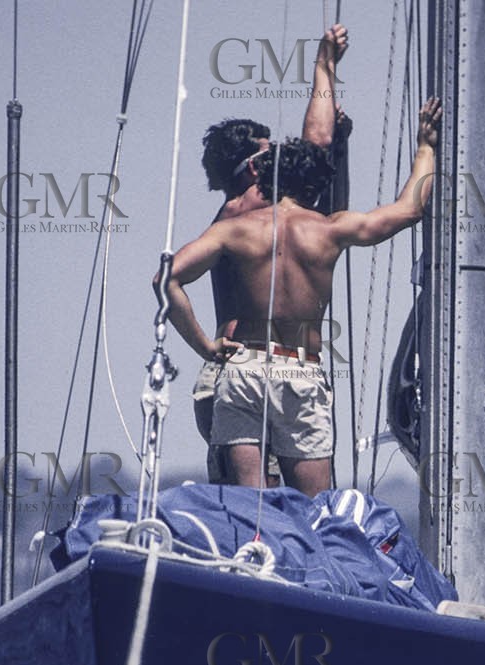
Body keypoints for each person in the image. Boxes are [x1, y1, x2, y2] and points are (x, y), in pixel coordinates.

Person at [158, 98, 441, 495]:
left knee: (250, 509)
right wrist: (426, 147)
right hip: (298, 370)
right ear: (313, 185)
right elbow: (410, 209)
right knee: (312, 513)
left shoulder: (234, 229)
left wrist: (205, 345)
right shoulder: (329, 229)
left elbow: (166, 280)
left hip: (243, 370)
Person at [190, 24, 349, 484]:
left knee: (249, 513)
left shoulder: (244, 216)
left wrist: (341, 146)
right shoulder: (247, 208)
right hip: (251, 374)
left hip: (234, 376)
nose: (279, 160)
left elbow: (322, 195)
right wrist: (324, 66)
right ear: (252, 167)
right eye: (269, 155)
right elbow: (315, 147)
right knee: (285, 512)